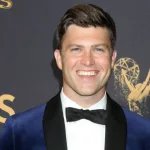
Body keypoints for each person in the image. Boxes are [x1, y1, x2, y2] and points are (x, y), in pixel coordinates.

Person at [0, 3, 150, 150]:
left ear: (112, 59)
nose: (88, 61)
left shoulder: (144, 133)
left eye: (98, 49)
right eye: (76, 49)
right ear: (59, 59)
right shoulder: (18, 132)